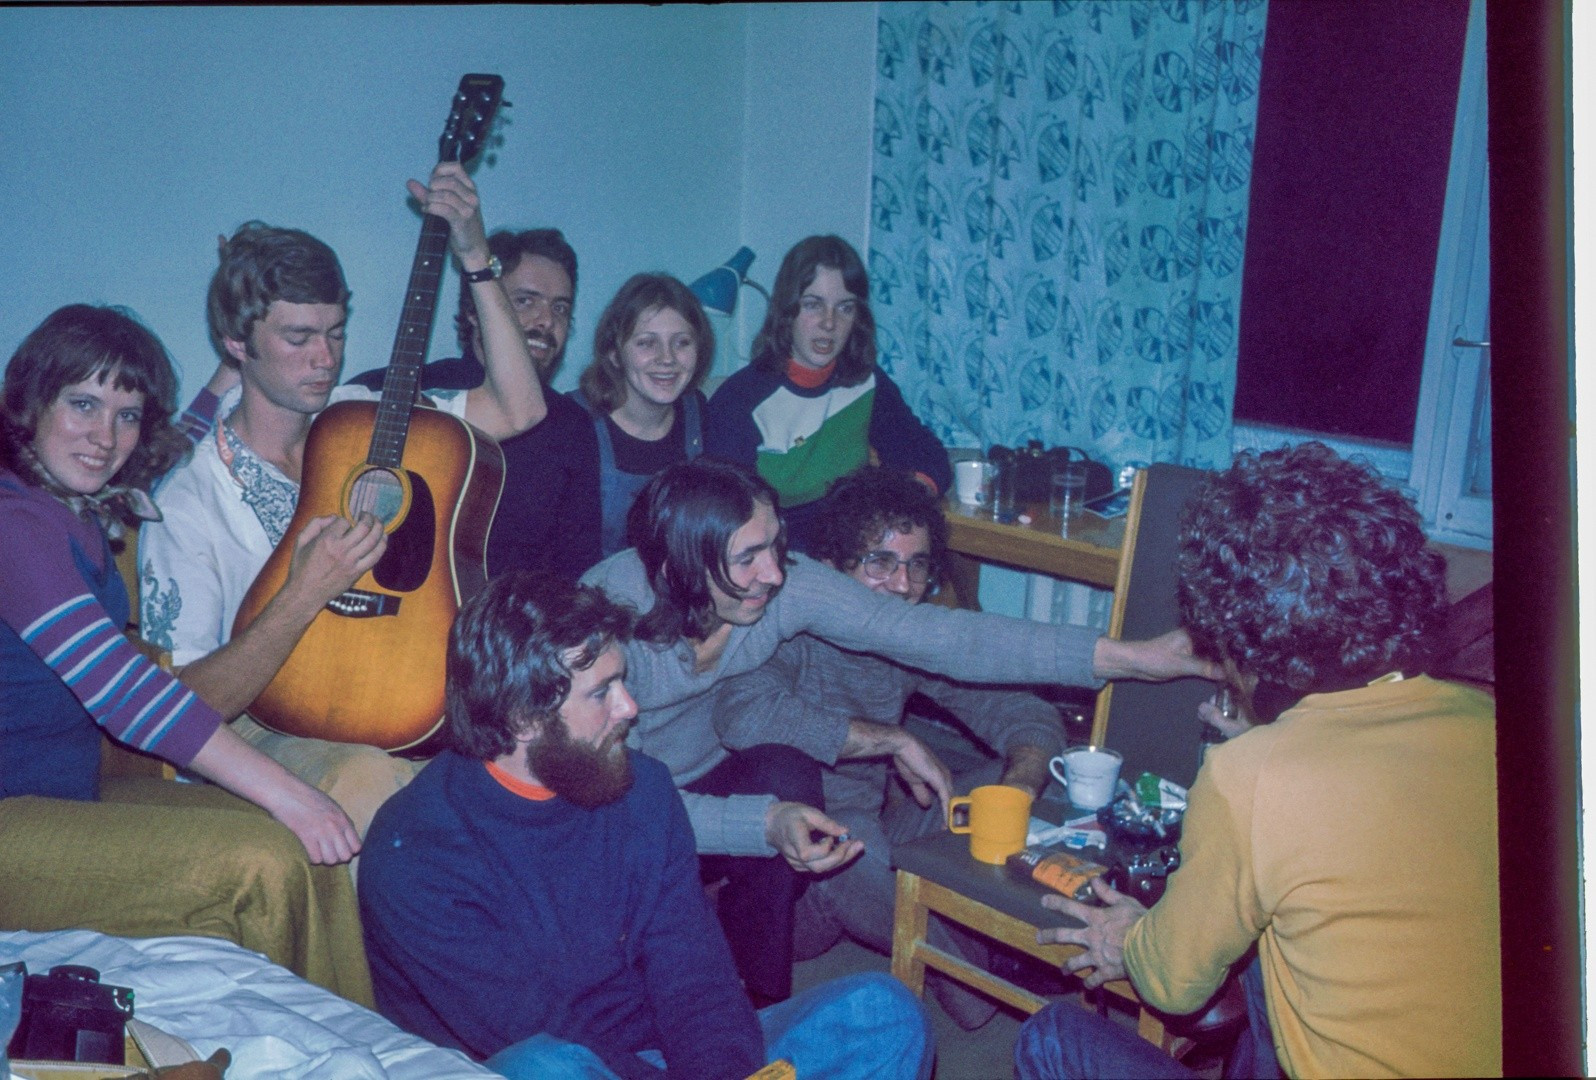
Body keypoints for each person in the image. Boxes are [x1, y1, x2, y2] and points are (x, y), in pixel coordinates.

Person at [580, 458, 1215, 1007]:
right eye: (749, 558)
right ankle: (959, 974)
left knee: (954, 791)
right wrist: (864, 755)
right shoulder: (610, 626)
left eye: (775, 547)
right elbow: (650, 788)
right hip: (649, 808)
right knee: (806, 800)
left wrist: (1136, 658)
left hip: (760, 792)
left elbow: (951, 641)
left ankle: (975, 947)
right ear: (685, 564)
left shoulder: (782, 589)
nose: (774, 574)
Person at [1014, 443, 1500, 1078]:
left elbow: (1170, 987)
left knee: (1052, 1036)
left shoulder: (1252, 774)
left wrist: (1128, 936)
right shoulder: (1484, 718)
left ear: (1241, 638)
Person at [360, 573, 933, 1080]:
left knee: (882, 1010)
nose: (629, 708)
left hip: (661, 1057)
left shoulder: (643, 789)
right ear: (523, 718)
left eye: (622, 681)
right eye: (602, 692)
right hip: (540, 1064)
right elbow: (529, 1030)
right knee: (544, 1066)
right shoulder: (417, 855)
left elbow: (692, 969)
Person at [140, 162, 544, 842]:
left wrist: (475, 254)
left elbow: (519, 408)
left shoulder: (363, 414)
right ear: (237, 343)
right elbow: (183, 706)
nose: (324, 359)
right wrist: (304, 592)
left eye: (335, 332)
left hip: (390, 695)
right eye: (298, 338)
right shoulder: (189, 501)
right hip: (257, 727)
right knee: (369, 777)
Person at [0, 304, 370, 1002]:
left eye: (127, 415)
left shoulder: (72, 499)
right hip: (11, 817)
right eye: (82, 404)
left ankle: (359, 1041)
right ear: (29, 403)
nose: (105, 436)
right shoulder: (15, 525)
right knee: (262, 862)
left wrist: (233, 357)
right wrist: (291, 793)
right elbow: (126, 695)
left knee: (300, 848)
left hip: (67, 793)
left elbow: (177, 441)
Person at [714, 466, 1064, 1029]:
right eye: (880, 562)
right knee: (850, 846)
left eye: (916, 565)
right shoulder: (787, 625)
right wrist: (890, 738)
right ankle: (978, 984)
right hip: (792, 877)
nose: (902, 586)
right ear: (832, 567)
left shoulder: (904, 633)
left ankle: (984, 943)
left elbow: (1025, 713)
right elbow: (742, 714)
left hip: (874, 831)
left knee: (1015, 777)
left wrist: (1018, 788)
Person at [349, 226, 602, 580]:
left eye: (560, 308)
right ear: (475, 308)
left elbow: (577, 567)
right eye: (525, 301)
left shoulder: (571, 426)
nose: (547, 321)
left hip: (517, 613)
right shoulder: (394, 392)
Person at [704, 234, 950, 551]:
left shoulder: (867, 382)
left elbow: (925, 454)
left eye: (845, 308)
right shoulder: (739, 401)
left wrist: (902, 504)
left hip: (854, 548)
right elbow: (732, 518)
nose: (829, 323)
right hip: (781, 554)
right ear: (787, 311)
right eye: (813, 305)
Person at [574, 272, 712, 558]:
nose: (667, 358)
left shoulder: (699, 414)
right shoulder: (574, 423)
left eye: (682, 342)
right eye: (647, 343)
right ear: (614, 353)